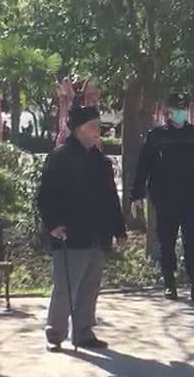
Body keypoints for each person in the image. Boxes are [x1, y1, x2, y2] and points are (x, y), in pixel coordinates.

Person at [37, 106, 128, 351]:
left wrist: (119, 230)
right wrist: (53, 225)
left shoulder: (100, 161)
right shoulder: (60, 156)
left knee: (90, 287)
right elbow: (46, 195)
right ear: (79, 129)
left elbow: (111, 198)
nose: (98, 129)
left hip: (97, 234)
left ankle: (83, 332)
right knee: (65, 288)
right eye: (92, 125)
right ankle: (55, 333)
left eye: (98, 124)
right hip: (70, 234)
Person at [130, 92, 194, 301]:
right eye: (176, 109)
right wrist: (136, 194)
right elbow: (143, 167)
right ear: (168, 111)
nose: (180, 113)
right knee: (166, 241)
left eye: (183, 108)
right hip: (164, 197)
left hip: (190, 196)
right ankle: (169, 282)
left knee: (192, 241)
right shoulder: (157, 136)